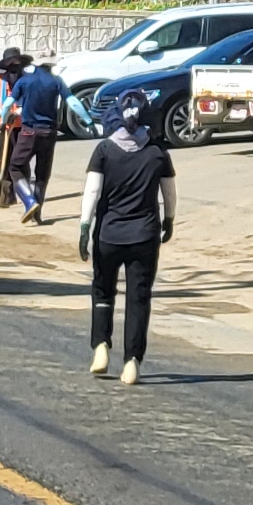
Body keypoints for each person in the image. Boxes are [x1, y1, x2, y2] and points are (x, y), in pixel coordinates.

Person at [76, 88, 176, 383]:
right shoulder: (158, 152)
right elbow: (169, 192)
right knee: (139, 297)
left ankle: (101, 346)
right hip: (144, 236)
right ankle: (132, 361)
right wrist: (169, 219)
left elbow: (92, 191)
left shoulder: (105, 150)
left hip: (109, 235)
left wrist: (84, 227)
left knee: (103, 290)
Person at [6, 50, 69, 223]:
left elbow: (8, 104)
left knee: (15, 167)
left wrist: (5, 119)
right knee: (42, 174)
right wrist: (88, 121)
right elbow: (73, 102)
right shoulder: (56, 81)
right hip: (49, 132)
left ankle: (29, 200)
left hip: (29, 131)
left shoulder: (25, 81)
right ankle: (36, 215)